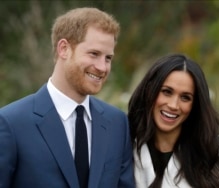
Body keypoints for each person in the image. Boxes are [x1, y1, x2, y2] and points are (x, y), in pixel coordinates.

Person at [0, 7, 134, 188]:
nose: (102, 67)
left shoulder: (117, 123)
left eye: (108, 58)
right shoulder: (11, 123)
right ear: (64, 49)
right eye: (94, 54)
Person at [128, 54, 219, 188]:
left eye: (185, 97)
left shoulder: (218, 149)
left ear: (195, 105)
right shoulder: (125, 145)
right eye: (167, 92)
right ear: (149, 90)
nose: (173, 105)